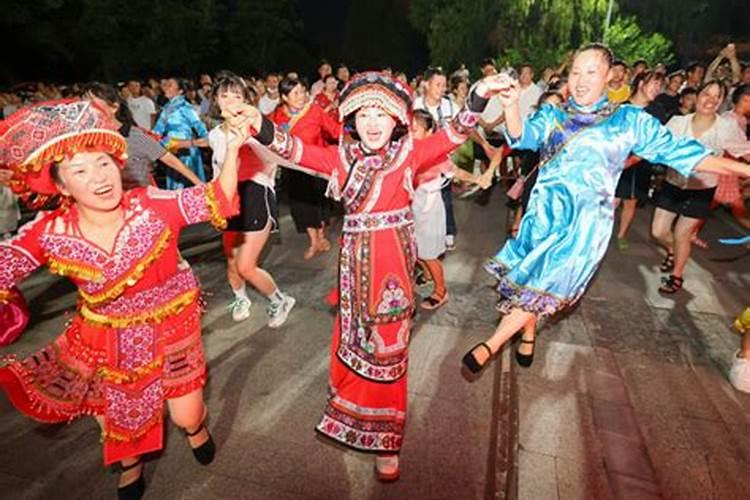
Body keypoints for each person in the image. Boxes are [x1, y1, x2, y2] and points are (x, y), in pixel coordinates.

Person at [224, 70, 509, 481]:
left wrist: (480, 92)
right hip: (355, 270)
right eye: (363, 115)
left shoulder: (410, 154)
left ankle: (387, 441)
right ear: (352, 120)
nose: (372, 123)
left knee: (390, 355)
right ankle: (352, 418)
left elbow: (454, 134)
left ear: (397, 119)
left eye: (381, 114)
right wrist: (256, 122)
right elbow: (294, 149)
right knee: (351, 344)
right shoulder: (341, 159)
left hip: (392, 272)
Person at [0, 98, 244, 499]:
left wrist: (233, 150)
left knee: (186, 414)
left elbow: (214, 199)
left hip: (172, 323)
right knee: (119, 418)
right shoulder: (49, 230)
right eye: (79, 170)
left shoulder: (150, 204)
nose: (98, 176)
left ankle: (196, 429)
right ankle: (130, 464)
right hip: (107, 338)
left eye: (103, 162)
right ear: (61, 185)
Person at [469, 43, 750, 373]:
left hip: (585, 225)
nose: (581, 79)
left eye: (591, 72)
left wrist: (744, 170)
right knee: (533, 281)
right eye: (575, 72)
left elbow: (685, 153)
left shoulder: (627, 120)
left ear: (609, 77)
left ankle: (493, 343)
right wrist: (511, 104)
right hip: (543, 214)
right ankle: (528, 332)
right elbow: (521, 137)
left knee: (551, 279)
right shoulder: (554, 114)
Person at [208, 73, 296, 326]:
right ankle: (241, 298)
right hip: (228, 199)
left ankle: (280, 299)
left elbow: (280, 157)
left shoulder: (258, 129)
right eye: (224, 95)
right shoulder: (215, 134)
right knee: (231, 260)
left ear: (247, 100)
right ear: (216, 99)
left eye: (237, 95)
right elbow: (218, 169)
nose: (230, 101)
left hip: (256, 193)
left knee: (247, 265)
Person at [651, 80, 750, 293]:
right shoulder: (677, 122)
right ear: (698, 95)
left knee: (682, 234)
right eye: (707, 94)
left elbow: (745, 150)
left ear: (722, 101)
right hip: (673, 183)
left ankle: (676, 275)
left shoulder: (726, 128)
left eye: (717, 97)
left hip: (702, 189)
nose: (711, 100)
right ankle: (672, 250)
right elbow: (656, 145)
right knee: (658, 231)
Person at [411, 109, 483, 310]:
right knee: (414, 250)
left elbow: (456, 171)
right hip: (412, 208)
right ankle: (426, 275)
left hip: (428, 210)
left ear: (428, 132)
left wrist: (477, 178)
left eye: (414, 129)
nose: (409, 132)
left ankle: (441, 291)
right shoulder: (406, 149)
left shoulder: (435, 153)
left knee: (428, 254)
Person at [269, 76, 339, 260]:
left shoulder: (315, 111)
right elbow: (265, 133)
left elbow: (335, 130)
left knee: (319, 203)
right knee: (301, 206)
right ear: (284, 97)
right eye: (296, 93)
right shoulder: (277, 115)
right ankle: (313, 240)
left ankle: (321, 236)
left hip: (317, 165)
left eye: (303, 92)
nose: (301, 96)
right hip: (293, 168)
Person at [83, 82, 203, 190]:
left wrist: (202, 187)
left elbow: (171, 161)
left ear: (114, 107)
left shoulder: (133, 135)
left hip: (140, 201)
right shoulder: (89, 139)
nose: (86, 107)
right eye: (84, 102)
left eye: (92, 102)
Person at [614, 71, 666, 250]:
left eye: (660, 85)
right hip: (619, 160)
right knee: (613, 199)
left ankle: (622, 234)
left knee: (632, 201)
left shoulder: (657, 111)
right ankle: (599, 233)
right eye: (655, 83)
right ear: (642, 83)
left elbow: (655, 142)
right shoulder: (622, 107)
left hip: (641, 164)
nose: (658, 89)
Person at [154, 78, 209, 190]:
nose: (166, 88)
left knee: (188, 187)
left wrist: (208, 142)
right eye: (166, 85)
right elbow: (157, 131)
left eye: (170, 85)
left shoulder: (185, 107)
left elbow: (200, 127)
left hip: (186, 152)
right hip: (171, 149)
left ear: (180, 91)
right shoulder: (167, 108)